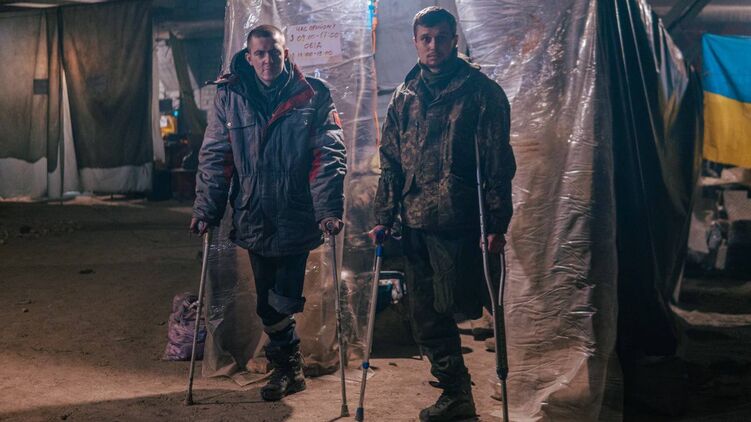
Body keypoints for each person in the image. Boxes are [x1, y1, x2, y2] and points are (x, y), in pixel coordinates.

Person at [370, 7, 515, 421]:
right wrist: (383, 215)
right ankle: (455, 393)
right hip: (414, 219)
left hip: (460, 219)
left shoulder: (482, 93)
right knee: (425, 315)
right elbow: (391, 161)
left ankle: (501, 382)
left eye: (441, 38)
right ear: (415, 42)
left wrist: (496, 221)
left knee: (463, 302)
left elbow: (497, 164)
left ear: (454, 40)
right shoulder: (405, 95)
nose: (433, 46)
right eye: (425, 38)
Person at [190, 24, 347, 402]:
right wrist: (207, 207)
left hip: (295, 213)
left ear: (285, 54)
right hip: (255, 213)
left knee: (283, 300)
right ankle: (289, 369)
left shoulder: (313, 94)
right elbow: (217, 155)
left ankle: (286, 367)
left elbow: (328, 154)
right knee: (266, 303)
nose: (267, 60)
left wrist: (327, 209)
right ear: (248, 57)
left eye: (273, 52)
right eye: (259, 53)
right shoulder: (230, 97)